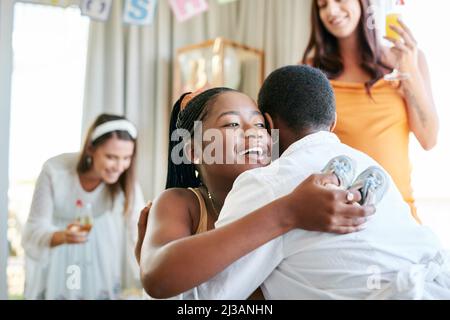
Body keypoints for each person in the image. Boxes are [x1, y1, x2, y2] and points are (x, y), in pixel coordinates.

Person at [184, 65, 450, 299]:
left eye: (255, 125)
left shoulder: (263, 185)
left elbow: (204, 298)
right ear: (333, 122)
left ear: (267, 124)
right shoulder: (370, 164)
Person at [136, 87, 374, 299]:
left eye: (260, 124)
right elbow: (158, 277)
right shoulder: (180, 202)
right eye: (231, 124)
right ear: (194, 151)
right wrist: (289, 212)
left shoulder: (285, 191)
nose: (254, 132)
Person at [301, 0, 439, 222]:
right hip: (344, 218)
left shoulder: (409, 60)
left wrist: (410, 70)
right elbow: (300, 149)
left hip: (401, 215)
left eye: (338, 0)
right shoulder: (309, 72)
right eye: (322, 5)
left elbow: (429, 138)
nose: (331, 11)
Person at [22, 114, 145, 299]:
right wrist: (64, 236)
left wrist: (150, 272)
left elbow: (137, 231)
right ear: (90, 149)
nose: (119, 166)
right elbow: (33, 229)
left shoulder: (126, 182)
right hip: (58, 257)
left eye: (126, 158)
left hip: (100, 259)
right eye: (111, 157)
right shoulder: (55, 170)